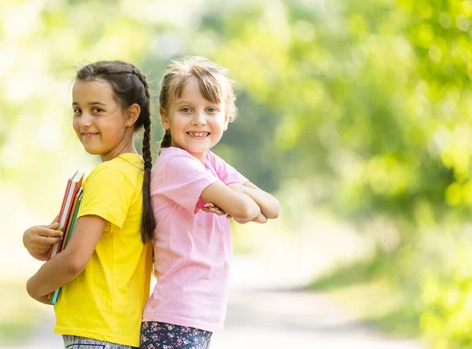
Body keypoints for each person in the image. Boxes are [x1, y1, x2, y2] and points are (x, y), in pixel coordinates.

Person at [140, 56, 280, 349]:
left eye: (211, 109)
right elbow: (247, 209)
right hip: (175, 318)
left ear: (226, 117)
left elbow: (271, 209)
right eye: (186, 110)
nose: (199, 120)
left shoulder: (211, 164)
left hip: (195, 317)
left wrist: (229, 191)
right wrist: (235, 196)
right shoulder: (176, 164)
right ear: (165, 117)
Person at [23, 60, 156, 349]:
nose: (84, 121)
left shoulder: (109, 176)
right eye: (77, 110)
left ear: (131, 114)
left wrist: (34, 286)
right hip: (116, 332)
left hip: (97, 336)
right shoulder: (134, 172)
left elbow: (73, 259)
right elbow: (89, 247)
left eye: (97, 110)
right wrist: (34, 239)